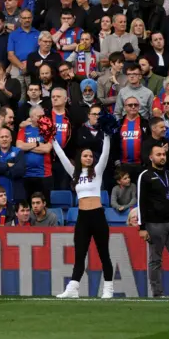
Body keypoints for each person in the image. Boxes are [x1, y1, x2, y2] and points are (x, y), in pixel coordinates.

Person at [53, 126, 114, 299]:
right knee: (80, 253)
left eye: (90, 156)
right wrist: (52, 139)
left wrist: (107, 135)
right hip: (82, 217)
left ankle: (108, 288)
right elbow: (62, 157)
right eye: (85, 156)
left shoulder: (98, 171)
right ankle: (73, 287)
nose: (88, 158)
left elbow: (105, 154)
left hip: (97, 216)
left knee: (104, 253)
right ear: (80, 158)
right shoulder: (74, 173)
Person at [137, 145, 169, 298]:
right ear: (151, 157)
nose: (162, 157)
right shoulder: (145, 176)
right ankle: (158, 294)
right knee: (156, 260)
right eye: (158, 154)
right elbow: (141, 202)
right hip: (154, 224)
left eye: (164, 154)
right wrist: (142, 227)